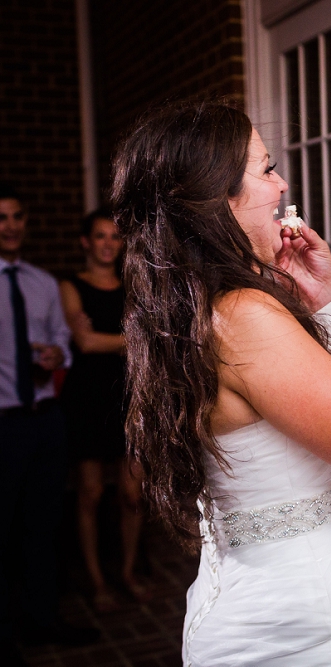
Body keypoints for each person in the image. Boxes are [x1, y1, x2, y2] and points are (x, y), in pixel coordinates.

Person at [111, 101, 331, 666]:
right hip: (297, 627)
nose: (281, 184)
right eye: (265, 168)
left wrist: (326, 300)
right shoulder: (242, 315)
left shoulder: (201, 305)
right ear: (218, 200)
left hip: (299, 603)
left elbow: (293, 439)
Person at [0, 184, 98, 666]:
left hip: (43, 421)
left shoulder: (41, 282)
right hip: (1, 424)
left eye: (18, 216)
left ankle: (43, 622)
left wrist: (56, 352)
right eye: (2, 217)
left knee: (43, 527)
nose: (11, 226)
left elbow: (61, 339)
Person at [59, 207, 148, 612]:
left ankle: (127, 572)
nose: (108, 243)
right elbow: (86, 343)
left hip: (128, 396)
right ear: (85, 242)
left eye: (114, 236)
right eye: (99, 236)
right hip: (87, 398)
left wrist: (109, 336)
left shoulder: (132, 286)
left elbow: (105, 337)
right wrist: (133, 339)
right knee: (91, 493)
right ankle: (96, 580)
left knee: (131, 493)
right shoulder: (69, 286)